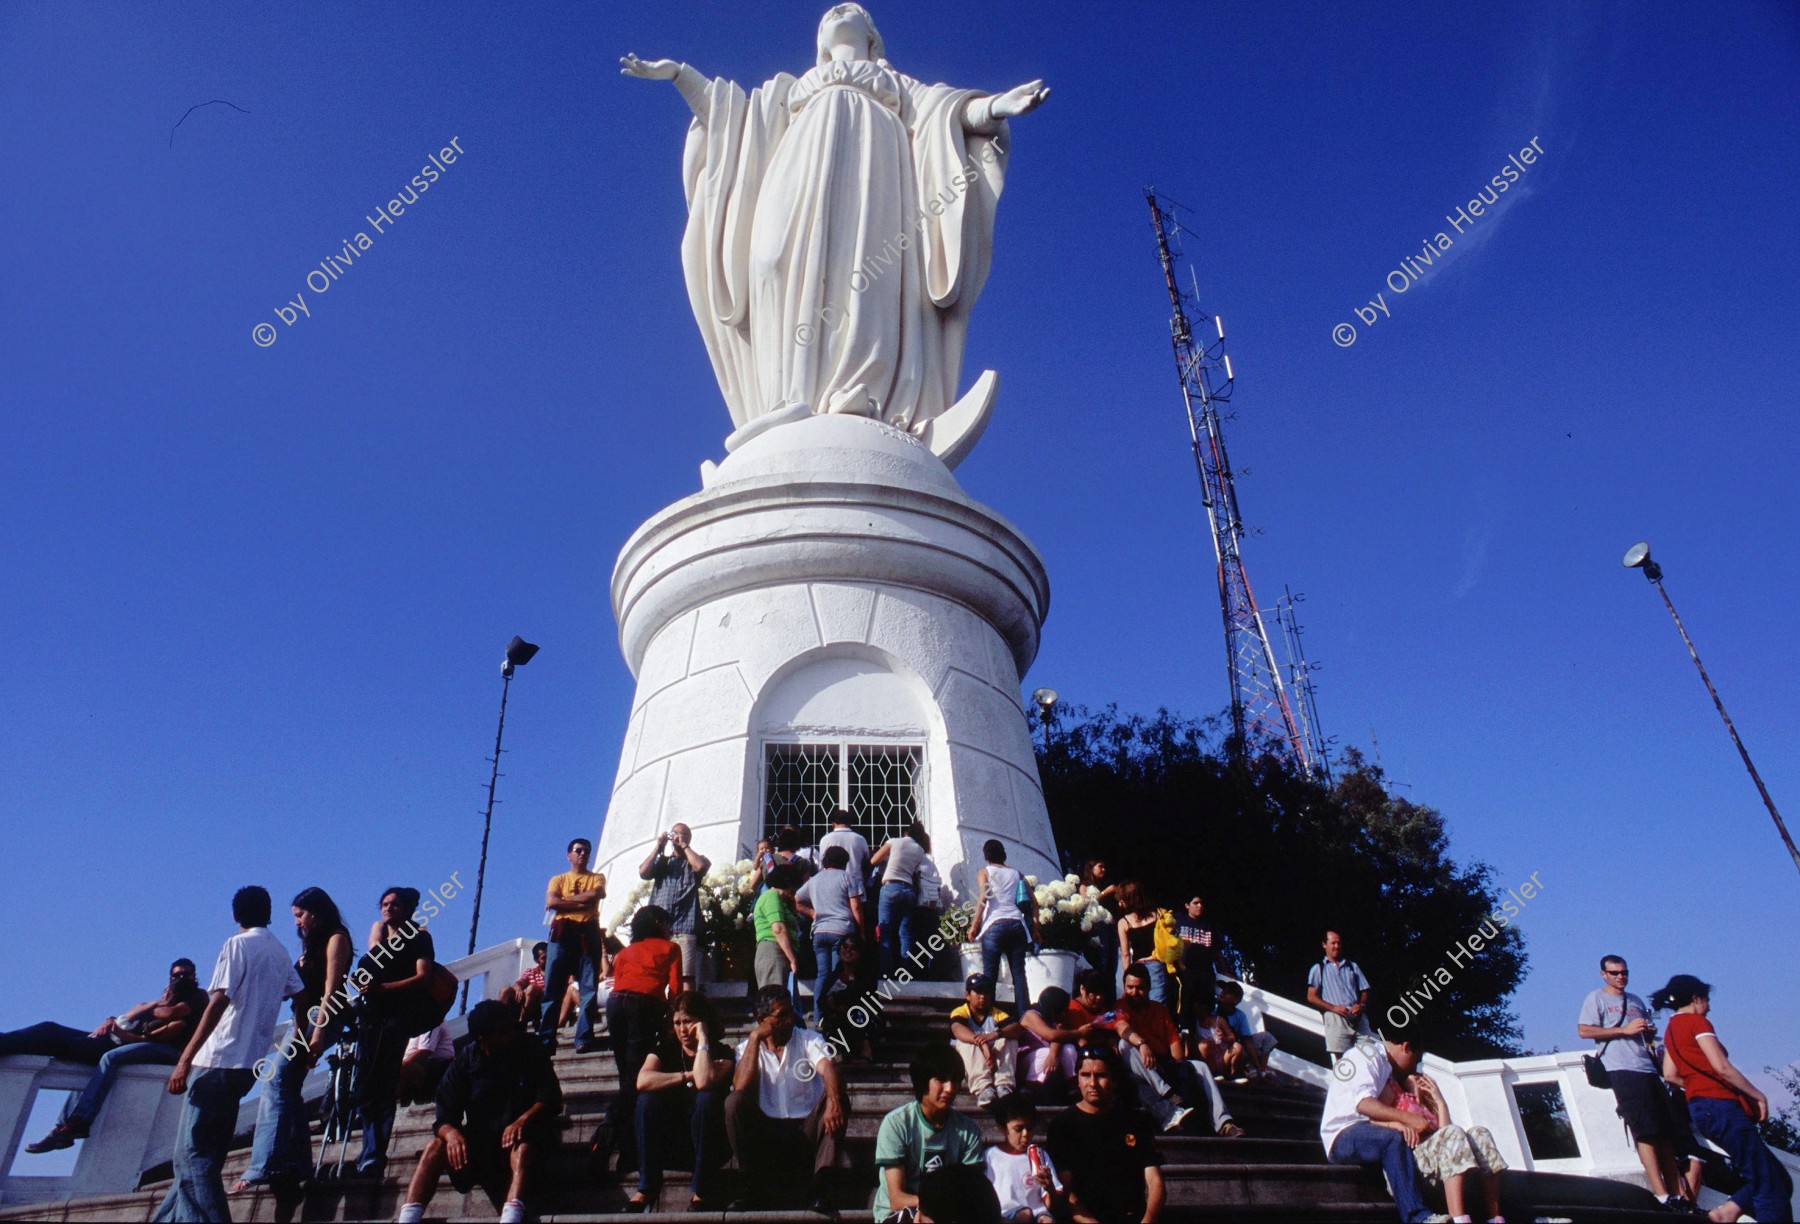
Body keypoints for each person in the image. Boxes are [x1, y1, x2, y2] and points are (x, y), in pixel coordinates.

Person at [621, 7, 1048, 439]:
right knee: (772, 259)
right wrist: (679, 75)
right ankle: (786, 396)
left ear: (872, 36)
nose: (841, 9)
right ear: (821, 40)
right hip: (797, 162)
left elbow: (947, 112)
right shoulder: (789, 91)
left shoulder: (895, 83)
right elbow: (732, 117)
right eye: (831, 11)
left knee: (863, 272)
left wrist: (995, 106)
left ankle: (859, 390)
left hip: (876, 165)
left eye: (853, 10)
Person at [151, 886, 304, 1224]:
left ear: (236, 916)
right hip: (249, 1065)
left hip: (217, 1059)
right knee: (203, 1157)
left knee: (191, 1156)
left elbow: (217, 1002)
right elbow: (299, 995)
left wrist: (185, 1058)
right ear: (269, 913)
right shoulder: (279, 952)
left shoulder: (236, 945)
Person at [9, 960, 208, 1156]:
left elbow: (167, 1017)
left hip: (168, 1050)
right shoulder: (163, 1002)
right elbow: (131, 1015)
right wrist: (113, 1021)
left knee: (109, 1058)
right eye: (176, 975)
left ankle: (80, 1120)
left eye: (186, 974)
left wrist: (150, 1009)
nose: (181, 979)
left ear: (194, 976)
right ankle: (62, 1127)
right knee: (50, 1030)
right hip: (123, 1039)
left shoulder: (197, 998)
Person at [394, 1000, 562, 1224]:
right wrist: (451, 1134)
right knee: (435, 1145)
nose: (511, 1032)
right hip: (482, 1143)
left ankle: (511, 1216)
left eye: (510, 1025)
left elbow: (551, 1097)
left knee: (523, 1146)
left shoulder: (529, 1047)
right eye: (503, 1029)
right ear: (484, 1038)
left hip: (524, 1139)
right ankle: (409, 1217)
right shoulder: (466, 1060)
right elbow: (445, 1115)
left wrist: (523, 1120)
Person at [238, 886, 354, 1195]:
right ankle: (299, 1162)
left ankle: (264, 1164)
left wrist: (318, 1032)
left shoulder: (336, 939)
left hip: (324, 1019)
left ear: (315, 913)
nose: (297, 922)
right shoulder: (310, 944)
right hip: (301, 1021)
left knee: (275, 1082)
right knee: (286, 1086)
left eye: (300, 915)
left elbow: (331, 990)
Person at [1655, 974, 1794, 1224]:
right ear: (1696, 998)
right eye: (1707, 1001)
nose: (1709, 1007)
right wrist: (1758, 1095)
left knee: (1777, 1177)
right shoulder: (1697, 1023)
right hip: (1722, 1108)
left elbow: (1670, 1074)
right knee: (1768, 1185)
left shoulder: (1671, 1030)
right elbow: (1722, 1067)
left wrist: (1698, 1086)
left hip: (1701, 1109)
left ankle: (1726, 1213)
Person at [726, 984, 848, 1213]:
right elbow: (740, 1087)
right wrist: (754, 1040)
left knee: (838, 1097)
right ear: (762, 1018)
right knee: (734, 1103)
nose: (790, 1020)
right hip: (767, 1135)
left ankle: (821, 1188)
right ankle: (752, 1187)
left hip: (805, 1130)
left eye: (791, 1012)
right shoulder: (746, 1048)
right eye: (782, 1016)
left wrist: (833, 1101)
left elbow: (829, 1067)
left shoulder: (807, 1039)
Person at [1577, 954, 1683, 1207]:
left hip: (1647, 1067)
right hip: (1621, 1068)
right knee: (1645, 1131)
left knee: (1665, 1133)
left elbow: (1644, 1034)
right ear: (1604, 974)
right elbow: (1584, 1030)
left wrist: (1647, 1032)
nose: (1620, 977)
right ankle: (1662, 1195)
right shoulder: (1596, 998)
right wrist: (1623, 1030)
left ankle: (1678, 1194)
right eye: (1614, 973)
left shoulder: (1634, 1000)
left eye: (1624, 972)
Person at [352, 886, 442, 1178]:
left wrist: (384, 989)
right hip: (371, 1018)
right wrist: (377, 935)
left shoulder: (419, 937)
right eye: (384, 904)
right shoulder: (380, 933)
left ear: (407, 908)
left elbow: (423, 977)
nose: (388, 908)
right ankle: (368, 1149)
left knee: (383, 1082)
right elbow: (370, 965)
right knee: (365, 1084)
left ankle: (375, 1153)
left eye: (395, 904)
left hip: (395, 1018)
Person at [628, 990, 735, 1212]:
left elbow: (705, 1081)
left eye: (688, 1022)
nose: (682, 1030)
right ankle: (647, 1187)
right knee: (647, 1101)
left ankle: (701, 1191)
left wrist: (703, 1040)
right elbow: (643, 1081)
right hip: (672, 1142)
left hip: (710, 1145)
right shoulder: (663, 1051)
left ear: (703, 1021)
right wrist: (685, 1076)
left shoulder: (722, 1052)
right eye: (677, 1023)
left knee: (707, 1099)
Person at [1317, 1030, 1435, 1224]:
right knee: (1392, 1139)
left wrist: (1399, 1122)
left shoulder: (1384, 1066)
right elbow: (1364, 1104)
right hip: (1341, 1135)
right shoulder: (1367, 1055)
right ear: (1405, 1047)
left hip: (1364, 1130)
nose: (1415, 1067)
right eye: (1416, 1059)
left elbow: (1379, 1110)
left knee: (1397, 1135)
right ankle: (1418, 1217)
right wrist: (1408, 1119)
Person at [1111, 963, 1242, 1138]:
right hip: (1138, 1068)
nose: (1134, 992)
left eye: (1140, 988)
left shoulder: (1160, 1010)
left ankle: (1224, 1122)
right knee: (1124, 1045)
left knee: (1200, 1067)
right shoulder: (1120, 1006)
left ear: (1149, 987)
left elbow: (1174, 1044)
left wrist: (1179, 1067)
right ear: (1124, 986)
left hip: (1161, 1063)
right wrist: (1142, 1044)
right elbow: (1122, 1027)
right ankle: (1166, 1092)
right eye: (1130, 987)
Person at [872, 1043, 994, 1223]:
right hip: (900, 1215)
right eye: (941, 1079)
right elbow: (897, 1199)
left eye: (955, 1080)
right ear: (923, 1081)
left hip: (947, 1213)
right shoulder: (897, 1124)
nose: (950, 1088)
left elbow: (971, 1189)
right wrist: (941, 1205)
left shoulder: (968, 1130)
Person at [603, 905, 683, 1175]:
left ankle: (626, 1148)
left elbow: (617, 981)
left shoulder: (625, 952)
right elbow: (676, 989)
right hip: (645, 1004)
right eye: (667, 922)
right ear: (659, 922)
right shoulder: (670, 948)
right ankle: (610, 1133)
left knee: (626, 1075)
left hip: (616, 1005)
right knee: (636, 1079)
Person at [1045, 1046, 1164, 1224]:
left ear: (1114, 1081)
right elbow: (1066, 1191)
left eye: (1101, 1075)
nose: (1092, 1083)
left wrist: (1147, 1221)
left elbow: (1155, 1182)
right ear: (1077, 1079)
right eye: (1085, 1075)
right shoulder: (1063, 1126)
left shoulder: (1137, 1121)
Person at [1376, 1070, 1508, 1223]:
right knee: (1452, 1132)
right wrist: (1397, 1125)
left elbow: (1445, 1133)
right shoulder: (1394, 1091)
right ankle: (1458, 1219)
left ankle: (1495, 1218)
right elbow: (1373, 1118)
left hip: (1440, 1165)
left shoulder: (1428, 1105)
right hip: (1412, 1162)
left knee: (1480, 1133)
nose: (1419, 1080)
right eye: (1415, 1077)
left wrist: (1439, 1100)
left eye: (1422, 1078)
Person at [541, 837, 607, 1053]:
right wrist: (582, 901)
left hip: (587, 933)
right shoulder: (558, 879)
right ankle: (546, 1038)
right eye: (578, 850)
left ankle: (584, 1037)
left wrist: (565, 903)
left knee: (588, 988)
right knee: (553, 988)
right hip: (562, 934)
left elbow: (595, 896)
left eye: (586, 850)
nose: (582, 854)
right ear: (568, 855)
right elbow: (552, 902)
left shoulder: (597, 877)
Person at [967, 839, 1037, 1020]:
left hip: (994, 925)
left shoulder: (985, 872)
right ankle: (1025, 1018)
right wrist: (1035, 929)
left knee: (990, 975)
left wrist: (974, 925)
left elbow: (983, 897)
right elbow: (1034, 903)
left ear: (986, 855)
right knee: (1019, 975)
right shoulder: (1017, 874)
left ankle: (989, 1018)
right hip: (1016, 925)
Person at [797, 845, 866, 1024]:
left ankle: (819, 1015)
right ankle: (835, 1015)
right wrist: (861, 931)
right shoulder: (847, 877)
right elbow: (856, 906)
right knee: (838, 976)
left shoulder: (814, 880)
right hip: (841, 931)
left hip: (819, 931)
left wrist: (813, 913)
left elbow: (796, 899)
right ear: (844, 862)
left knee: (822, 974)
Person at [639, 824, 710, 990]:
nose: (677, 836)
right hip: (657, 930)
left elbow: (700, 867)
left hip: (684, 928)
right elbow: (643, 873)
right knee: (654, 974)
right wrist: (658, 847)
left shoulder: (697, 860)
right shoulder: (663, 862)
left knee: (685, 976)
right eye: (675, 833)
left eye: (682, 834)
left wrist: (685, 845)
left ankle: (685, 1011)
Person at [984, 1092, 1064, 1224]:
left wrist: (1049, 1188)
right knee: (1024, 1215)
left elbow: (1051, 1205)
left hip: (1039, 1214)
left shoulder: (1040, 1156)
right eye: (1019, 1129)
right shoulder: (991, 1156)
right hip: (1006, 1215)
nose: (1026, 1134)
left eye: (1030, 1128)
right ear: (1003, 1128)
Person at [950, 972, 1025, 1107]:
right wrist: (982, 1043)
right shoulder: (961, 1011)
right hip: (970, 1061)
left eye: (986, 992)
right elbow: (957, 1030)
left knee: (1010, 1039)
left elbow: (1017, 1029)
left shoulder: (996, 1013)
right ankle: (984, 1088)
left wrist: (997, 1034)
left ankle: (1004, 1085)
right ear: (967, 995)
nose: (982, 997)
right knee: (966, 1042)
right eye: (978, 992)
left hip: (992, 1060)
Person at [870, 820, 928, 975]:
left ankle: (886, 973)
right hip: (908, 890)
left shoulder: (894, 842)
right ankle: (905, 971)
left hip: (890, 887)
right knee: (905, 932)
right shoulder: (920, 850)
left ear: (906, 832)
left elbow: (874, 860)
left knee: (885, 930)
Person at [1015, 986, 1091, 1103]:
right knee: (1045, 1053)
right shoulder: (1031, 1015)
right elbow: (1051, 1035)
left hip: (1048, 1059)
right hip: (1027, 1060)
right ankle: (1028, 1090)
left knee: (1069, 1048)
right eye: (1063, 1010)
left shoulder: (1058, 1019)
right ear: (1052, 1010)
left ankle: (1073, 1089)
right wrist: (1079, 1032)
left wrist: (1053, 1054)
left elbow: (1059, 1037)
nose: (1066, 1013)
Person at [1307, 929, 1372, 1060]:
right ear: (1324, 945)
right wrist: (1333, 1008)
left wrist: (1361, 1005)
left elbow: (1365, 990)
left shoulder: (1352, 966)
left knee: (1367, 1055)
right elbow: (1311, 997)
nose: (1336, 946)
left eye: (1339, 943)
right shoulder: (1318, 968)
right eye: (1333, 943)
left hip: (1357, 1016)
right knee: (1342, 1060)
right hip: (1336, 1017)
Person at [1200, 980, 1276, 1082]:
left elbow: (1247, 1041)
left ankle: (1260, 1072)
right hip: (1216, 1049)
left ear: (1235, 1000)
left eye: (1227, 993)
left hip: (1233, 1047)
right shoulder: (1213, 1011)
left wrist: (1257, 1066)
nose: (1222, 993)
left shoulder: (1240, 1015)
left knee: (1267, 1037)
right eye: (1223, 991)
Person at [819, 936, 880, 1061]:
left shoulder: (867, 975)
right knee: (832, 1021)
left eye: (853, 948)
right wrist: (834, 1005)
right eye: (845, 947)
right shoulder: (834, 976)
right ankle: (839, 1053)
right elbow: (822, 1001)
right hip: (840, 1018)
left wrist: (838, 997)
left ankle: (866, 1050)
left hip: (865, 1019)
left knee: (858, 1012)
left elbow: (865, 998)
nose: (848, 951)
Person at [1114, 880, 1168, 1006]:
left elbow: (1125, 954)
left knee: (1137, 1004)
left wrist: (1127, 977)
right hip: (1158, 964)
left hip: (1139, 967)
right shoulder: (1158, 914)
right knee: (1157, 1005)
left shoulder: (1123, 922)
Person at [1172, 894, 1220, 1034]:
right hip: (1184, 971)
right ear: (1187, 905)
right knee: (1183, 1008)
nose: (1200, 906)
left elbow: (1217, 951)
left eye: (1201, 903)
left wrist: (1225, 970)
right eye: (1196, 903)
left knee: (1203, 1008)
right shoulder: (1177, 919)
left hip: (1204, 973)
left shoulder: (1209, 924)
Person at [753, 862, 804, 990]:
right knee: (775, 1000)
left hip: (777, 951)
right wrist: (792, 959)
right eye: (794, 886)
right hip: (773, 951)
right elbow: (778, 929)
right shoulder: (772, 896)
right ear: (787, 882)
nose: (795, 890)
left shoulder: (781, 901)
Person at [398, 1023, 456, 1105]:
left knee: (398, 1072)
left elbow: (425, 1051)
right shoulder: (412, 1026)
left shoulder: (433, 1021)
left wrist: (402, 1066)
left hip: (436, 1065)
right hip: (420, 1064)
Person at [502, 942, 548, 1028]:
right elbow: (518, 983)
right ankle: (501, 1022)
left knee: (532, 988)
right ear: (536, 960)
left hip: (545, 1003)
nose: (547, 959)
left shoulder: (556, 971)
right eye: (543, 958)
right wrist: (519, 989)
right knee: (506, 991)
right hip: (530, 1001)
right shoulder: (531, 972)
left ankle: (522, 1024)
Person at [819, 810, 872, 884]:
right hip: (855, 882)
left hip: (832, 882)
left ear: (833, 824)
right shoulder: (860, 839)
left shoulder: (825, 839)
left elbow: (821, 864)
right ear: (849, 823)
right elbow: (867, 861)